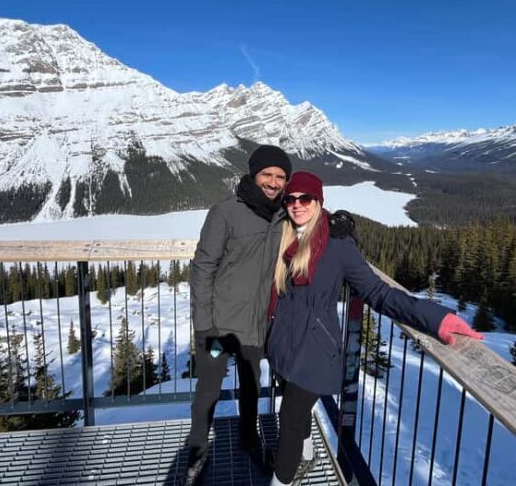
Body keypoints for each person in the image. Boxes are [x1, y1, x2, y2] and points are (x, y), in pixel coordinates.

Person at [266, 171, 483, 486]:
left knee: (288, 419)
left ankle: (281, 480)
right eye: (291, 199)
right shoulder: (284, 235)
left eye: (306, 198)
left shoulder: (337, 245)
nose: (297, 205)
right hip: (285, 343)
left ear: (319, 201)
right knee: (293, 411)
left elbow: (378, 292)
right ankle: (308, 454)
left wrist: (435, 318)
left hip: (313, 351)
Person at [184, 144, 292, 485]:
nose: (273, 182)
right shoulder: (226, 212)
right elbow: (203, 268)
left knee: (250, 388)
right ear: (253, 174)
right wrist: (204, 325)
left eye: (280, 177)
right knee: (209, 390)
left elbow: (314, 222)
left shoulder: (284, 215)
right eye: (267, 175)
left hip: (255, 327)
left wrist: (338, 226)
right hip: (219, 328)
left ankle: (249, 439)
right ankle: (197, 451)